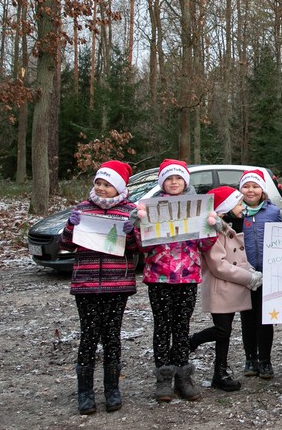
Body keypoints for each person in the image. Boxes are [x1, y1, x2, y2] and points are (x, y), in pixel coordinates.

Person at [131, 158, 217, 402]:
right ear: (162, 182)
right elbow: (141, 246)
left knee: (181, 328)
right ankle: (163, 379)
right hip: (158, 277)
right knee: (162, 327)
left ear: (186, 181)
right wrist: (139, 225)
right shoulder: (150, 207)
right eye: (169, 178)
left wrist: (211, 227)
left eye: (178, 178)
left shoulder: (196, 206)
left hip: (187, 276)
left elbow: (204, 244)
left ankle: (183, 377)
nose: (174, 182)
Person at [60, 161, 137, 415]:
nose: (102, 188)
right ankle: (85, 393)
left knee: (112, 337)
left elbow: (139, 249)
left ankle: (112, 390)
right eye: (98, 183)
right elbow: (66, 244)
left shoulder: (131, 211)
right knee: (89, 337)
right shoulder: (82, 209)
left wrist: (133, 233)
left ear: (119, 187)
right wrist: (70, 226)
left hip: (118, 284)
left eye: (107, 184)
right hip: (87, 283)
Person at [189, 186, 264, 392]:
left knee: (225, 332)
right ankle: (192, 342)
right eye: (238, 203)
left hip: (230, 288)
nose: (242, 207)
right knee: (222, 330)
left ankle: (220, 373)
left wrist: (250, 270)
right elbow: (219, 266)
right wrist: (249, 277)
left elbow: (238, 258)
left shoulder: (226, 227)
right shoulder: (212, 232)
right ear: (227, 208)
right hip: (220, 288)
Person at [237, 169, 282, 379]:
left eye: (255, 186)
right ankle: (250, 359)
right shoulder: (236, 214)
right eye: (246, 186)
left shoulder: (273, 213)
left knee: (264, 319)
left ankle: (265, 360)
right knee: (247, 317)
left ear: (263, 190)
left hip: (267, 273)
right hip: (244, 274)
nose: (251, 190)